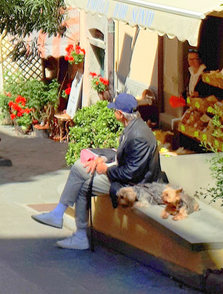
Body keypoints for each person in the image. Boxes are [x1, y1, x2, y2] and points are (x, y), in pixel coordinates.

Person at [31, 93, 164, 251]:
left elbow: (131, 173)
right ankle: (67, 223)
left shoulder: (138, 135)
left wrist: (106, 169)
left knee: (81, 176)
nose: (113, 113)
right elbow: (126, 157)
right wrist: (103, 158)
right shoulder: (134, 127)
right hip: (128, 176)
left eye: (115, 111)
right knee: (80, 169)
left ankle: (68, 224)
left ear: (120, 114)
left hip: (136, 185)